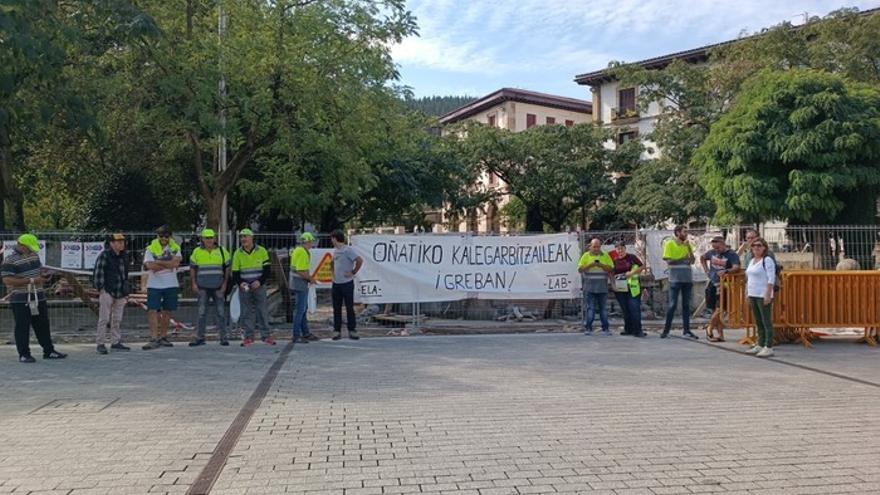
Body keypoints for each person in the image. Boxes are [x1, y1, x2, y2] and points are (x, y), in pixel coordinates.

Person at [1, 234, 66, 363]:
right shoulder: (9, 260)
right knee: (22, 326)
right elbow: (7, 280)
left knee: (43, 324)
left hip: (38, 296)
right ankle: (24, 354)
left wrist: (44, 275)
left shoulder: (34, 256)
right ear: (21, 245)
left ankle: (49, 351)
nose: (30, 250)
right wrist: (31, 280)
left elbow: (38, 271)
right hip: (21, 298)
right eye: (28, 247)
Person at [231, 229, 275, 346]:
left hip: (259, 286)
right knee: (246, 312)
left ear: (252, 238)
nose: (243, 239)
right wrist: (240, 283)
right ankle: (248, 337)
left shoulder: (262, 251)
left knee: (262, 310)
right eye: (241, 237)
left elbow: (267, 270)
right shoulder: (237, 253)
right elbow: (235, 272)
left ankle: (266, 336)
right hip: (244, 288)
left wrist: (260, 282)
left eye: (246, 237)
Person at [142, 226, 182, 350]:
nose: (164, 238)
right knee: (152, 310)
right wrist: (167, 264)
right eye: (161, 236)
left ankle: (163, 337)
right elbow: (149, 265)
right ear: (157, 236)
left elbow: (175, 264)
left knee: (167, 311)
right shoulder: (150, 248)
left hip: (171, 284)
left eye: (166, 236)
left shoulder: (175, 248)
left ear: (170, 237)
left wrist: (158, 261)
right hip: (154, 284)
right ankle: (154, 337)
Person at [189, 228, 231, 347]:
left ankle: (223, 338)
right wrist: (193, 283)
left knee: (221, 313)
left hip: (218, 287)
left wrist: (224, 284)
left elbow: (227, 268)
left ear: (214, 238)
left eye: (210, 237)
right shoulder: (197, 252)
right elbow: (192, 268)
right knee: (201, 313)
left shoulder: (222, 251)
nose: (209, 240)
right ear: (202, 239)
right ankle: (200, 337)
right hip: (202, 287)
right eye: (206, 238)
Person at [93, 233, 131, 354]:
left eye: (122, 241)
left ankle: (115, 342)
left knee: (117, 319)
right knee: (104, 318)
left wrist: (126, 291)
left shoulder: (124, 256)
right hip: (107, 290)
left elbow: (125, 274)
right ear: (111, 243)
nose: (122, 244)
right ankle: (100, 343)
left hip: (120, 291)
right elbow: (98, 273)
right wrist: (102, 289)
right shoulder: (104, 255)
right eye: (118, 242)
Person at [700, 236, 740, 342]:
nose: (716, 250)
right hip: (713, 283)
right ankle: (720, 335)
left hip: (725, 284)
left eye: (718, 248)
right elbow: (702, 257)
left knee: (720, 308)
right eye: (714, 248)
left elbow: (736, 267)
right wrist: (706, 270)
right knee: (714, 310)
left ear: (723, 244)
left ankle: (709, 328)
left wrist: (726, 271)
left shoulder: (731, 254)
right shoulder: (711, 252)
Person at [662, 225, 698, 340]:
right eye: (684, 232)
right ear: (677, 233)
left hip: (687, 279)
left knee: (686, 306)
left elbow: (692, 261)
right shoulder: (669, 244)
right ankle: (666, 331)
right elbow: (669, 261)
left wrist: (688, 249)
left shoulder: (687, 244)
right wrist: (682, 259)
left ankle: (686, 330)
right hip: (675, 280)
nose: (686, 234)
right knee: (672, 305)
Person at [745, 237, 776, 358]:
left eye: (759, 246)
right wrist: (747, 293)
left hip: (762, 294)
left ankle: (769, 346)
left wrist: (768, 294)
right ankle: (760, 343)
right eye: (754, 246)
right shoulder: (752, 260)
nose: (756, 248)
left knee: (766, 320)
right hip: (753, 293)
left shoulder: (767, 260)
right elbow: (749, 278)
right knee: (758, 320)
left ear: (764, 248)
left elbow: (771, 278)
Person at [330, 230, 363, 340]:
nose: (331, 240)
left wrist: (353, 272)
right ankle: (336, 331)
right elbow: (332, 263)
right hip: (336, 284)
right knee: (336, 308)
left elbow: (359, 260)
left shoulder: (347, 250)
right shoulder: (335, 251)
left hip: (347, 284)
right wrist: (333, 274)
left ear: (335, 238)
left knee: (349, 307)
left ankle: (352, 330)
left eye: (332, 238)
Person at [578, 238, 613, 336]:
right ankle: (588, 328)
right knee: (590, 308)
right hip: (589, 288)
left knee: (603, 309)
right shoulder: (586, 256)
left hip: (602, 287)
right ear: (590, 246)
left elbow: (611, 268)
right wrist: (591, 265)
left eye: (598, 246)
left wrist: (601, 265)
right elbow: (580, 269)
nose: (596, 248)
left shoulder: (605, 255)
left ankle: (605, 328)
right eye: (594, 246)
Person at [611, 241, 645, 338]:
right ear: (615, 250)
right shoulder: (614, 260)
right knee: (625, 309)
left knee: (634, 308)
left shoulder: (631, 257)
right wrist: (613, 285)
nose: (620, 250)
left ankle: (638, 330)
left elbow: (642, 266)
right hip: (620, 288)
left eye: (622, 248)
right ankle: (628, 329)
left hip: (632, 287)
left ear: (625, 248)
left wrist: (632, 272)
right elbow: (611, 273)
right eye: (618, 248)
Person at [290, 232, 319, 344]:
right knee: (300, 310)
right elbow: (301, 270)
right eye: (311, 241)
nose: (312, 244)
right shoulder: (302, 252)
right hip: (300, 283)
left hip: (296, 283)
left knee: (302, 309)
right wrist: (311, 279)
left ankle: (305, 333)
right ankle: (296, 335)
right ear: (307, 241)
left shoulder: (298, 250)